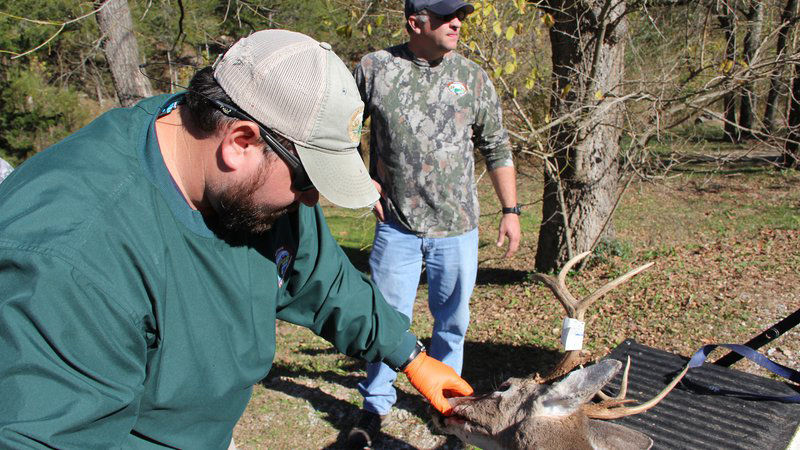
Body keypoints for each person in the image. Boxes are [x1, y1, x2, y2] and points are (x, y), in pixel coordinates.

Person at [0, 29, 473, 448]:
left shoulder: (247, 183)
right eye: (309, 181)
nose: (310, 202)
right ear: (240, 142)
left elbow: (319, 278)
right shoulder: (71, 258)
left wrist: (410, 356)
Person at [347, 0, 521, 446]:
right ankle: (375, 405)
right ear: (415, 22)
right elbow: (343, 133)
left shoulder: (472, 77)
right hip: (397, 227)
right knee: (387, 322)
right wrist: (365, 186)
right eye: (445, 16)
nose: (457, 22)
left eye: (459, 14)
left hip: (458, 228)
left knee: (452, 325)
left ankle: (449, 408)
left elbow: (497, 146)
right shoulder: (375, 68)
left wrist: (511, 210)